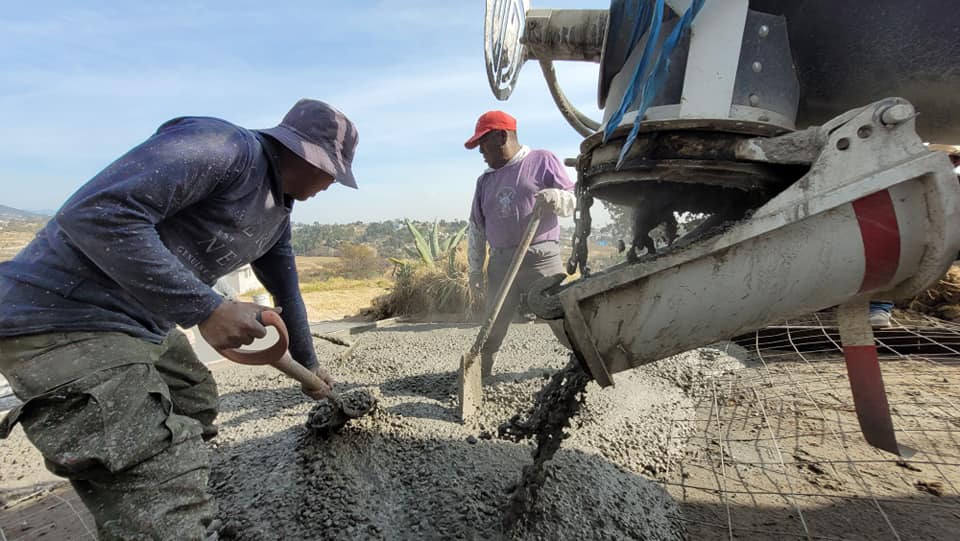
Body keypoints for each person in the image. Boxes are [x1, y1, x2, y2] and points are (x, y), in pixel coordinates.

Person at [0, 98, 358, 540]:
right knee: (155, 463)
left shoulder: (277, 215)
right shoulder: (223, 147)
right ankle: (165, 511)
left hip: (142, 324)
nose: (330, 185)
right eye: (331, 173)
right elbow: (97, 214)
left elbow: (288, 292)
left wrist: (308, 366)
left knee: (193, 396)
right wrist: (206, 308)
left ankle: (161, 506)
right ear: (305, 155)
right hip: (65, 316)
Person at [465, 110, 576, 379]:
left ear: (502, 136)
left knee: (559, 314)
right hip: (501, 262)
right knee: (493, 320)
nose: (480, 150)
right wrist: (475, 270)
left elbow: (576, 200)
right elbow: (477, 229)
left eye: (483, 142)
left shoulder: (541, 160)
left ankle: (586, 365)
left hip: (540, 257)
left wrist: (556, 197)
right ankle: (480, 374)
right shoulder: (485, 181)